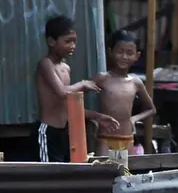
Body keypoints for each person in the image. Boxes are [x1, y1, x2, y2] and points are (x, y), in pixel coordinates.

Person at [33, 15, 119, 162]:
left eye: (74, 41)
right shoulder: (46, 64)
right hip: (48, 132)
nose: (72, 46)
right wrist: (83, 84)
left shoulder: (66, 68)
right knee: (48, 175)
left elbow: (68, 106)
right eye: (67, 41)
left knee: (65, 173)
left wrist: (97, 116)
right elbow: (62, 92)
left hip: (65, 131)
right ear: (51, 41)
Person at [91, 30, 156, 157]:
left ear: (137, 56)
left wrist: (134, 119)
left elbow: (151, 109)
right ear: (110, 52)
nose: (124, 57)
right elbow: (75, 100)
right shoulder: (101, 78)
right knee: (103, 173)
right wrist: (96, 117)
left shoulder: (136, 83)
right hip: (105, 138)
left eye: (129, 53)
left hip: (127, 139)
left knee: (126, 174)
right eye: (120, 52)